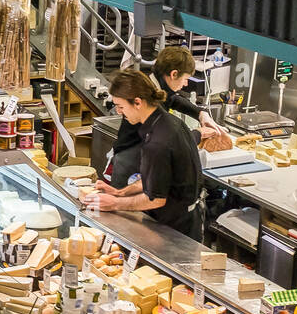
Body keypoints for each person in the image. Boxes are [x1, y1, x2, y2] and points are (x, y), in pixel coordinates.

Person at [82, 69, 205, 239]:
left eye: (121, 106)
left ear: (138, 102)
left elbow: (156, 199)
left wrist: (114, 204)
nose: (119, 112)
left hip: (175, 229)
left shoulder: (157, 142)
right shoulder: (167, 122)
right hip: (180, 219)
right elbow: (157, 179)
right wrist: (120, 193)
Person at [102, 46, 227, 190]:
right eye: (186, 78)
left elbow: (173, 99)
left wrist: (201, 113)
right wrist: (200, 133)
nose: (186, 84)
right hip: (130, 166)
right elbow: (173, 143)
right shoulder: (149, 103)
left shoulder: (151, 84)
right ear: (174, 74)